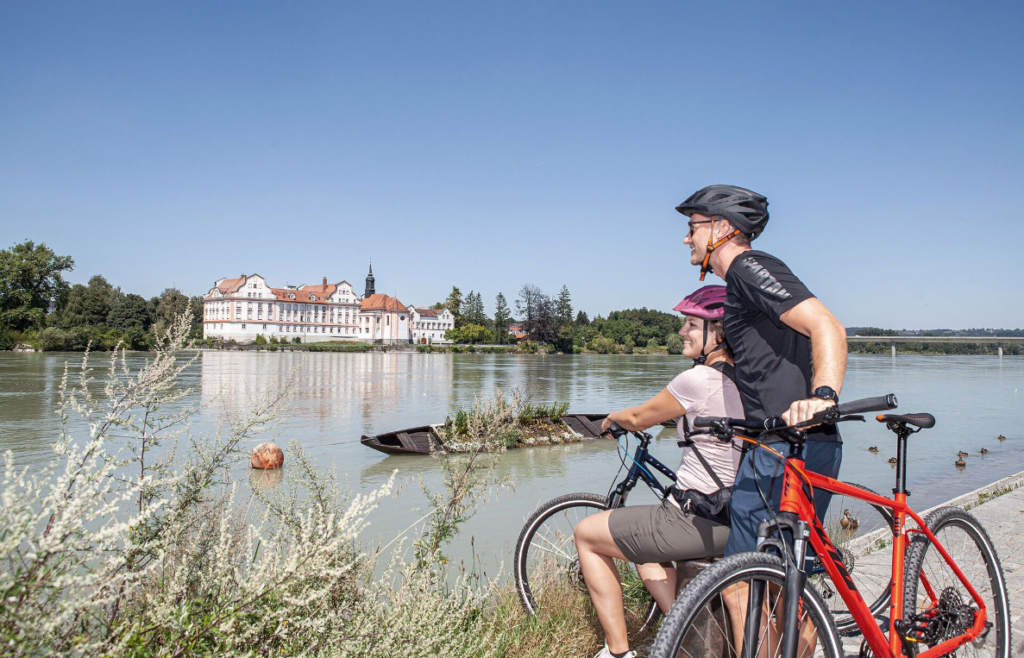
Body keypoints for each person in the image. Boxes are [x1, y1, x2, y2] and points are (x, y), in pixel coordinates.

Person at [676, 184, 848, 648]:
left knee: (739, 584)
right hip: (786, 442)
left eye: (692, 227)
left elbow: (826, 325)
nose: (685, 238)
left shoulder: (751, 268)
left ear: (722, 228)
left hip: (788, 445)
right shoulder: (741, 283)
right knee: (788, 588)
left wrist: (824, 394)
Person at [574, 286, 746, 658]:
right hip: (736, 514)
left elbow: (639, 417)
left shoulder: (697, 380)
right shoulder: (744, 379)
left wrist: (610, 419)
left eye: (689, 324)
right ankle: (686, 633)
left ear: (717, 333)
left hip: (696, 518)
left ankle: (618, 652)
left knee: (586, 533)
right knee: (642, 550)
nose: (682, 331)